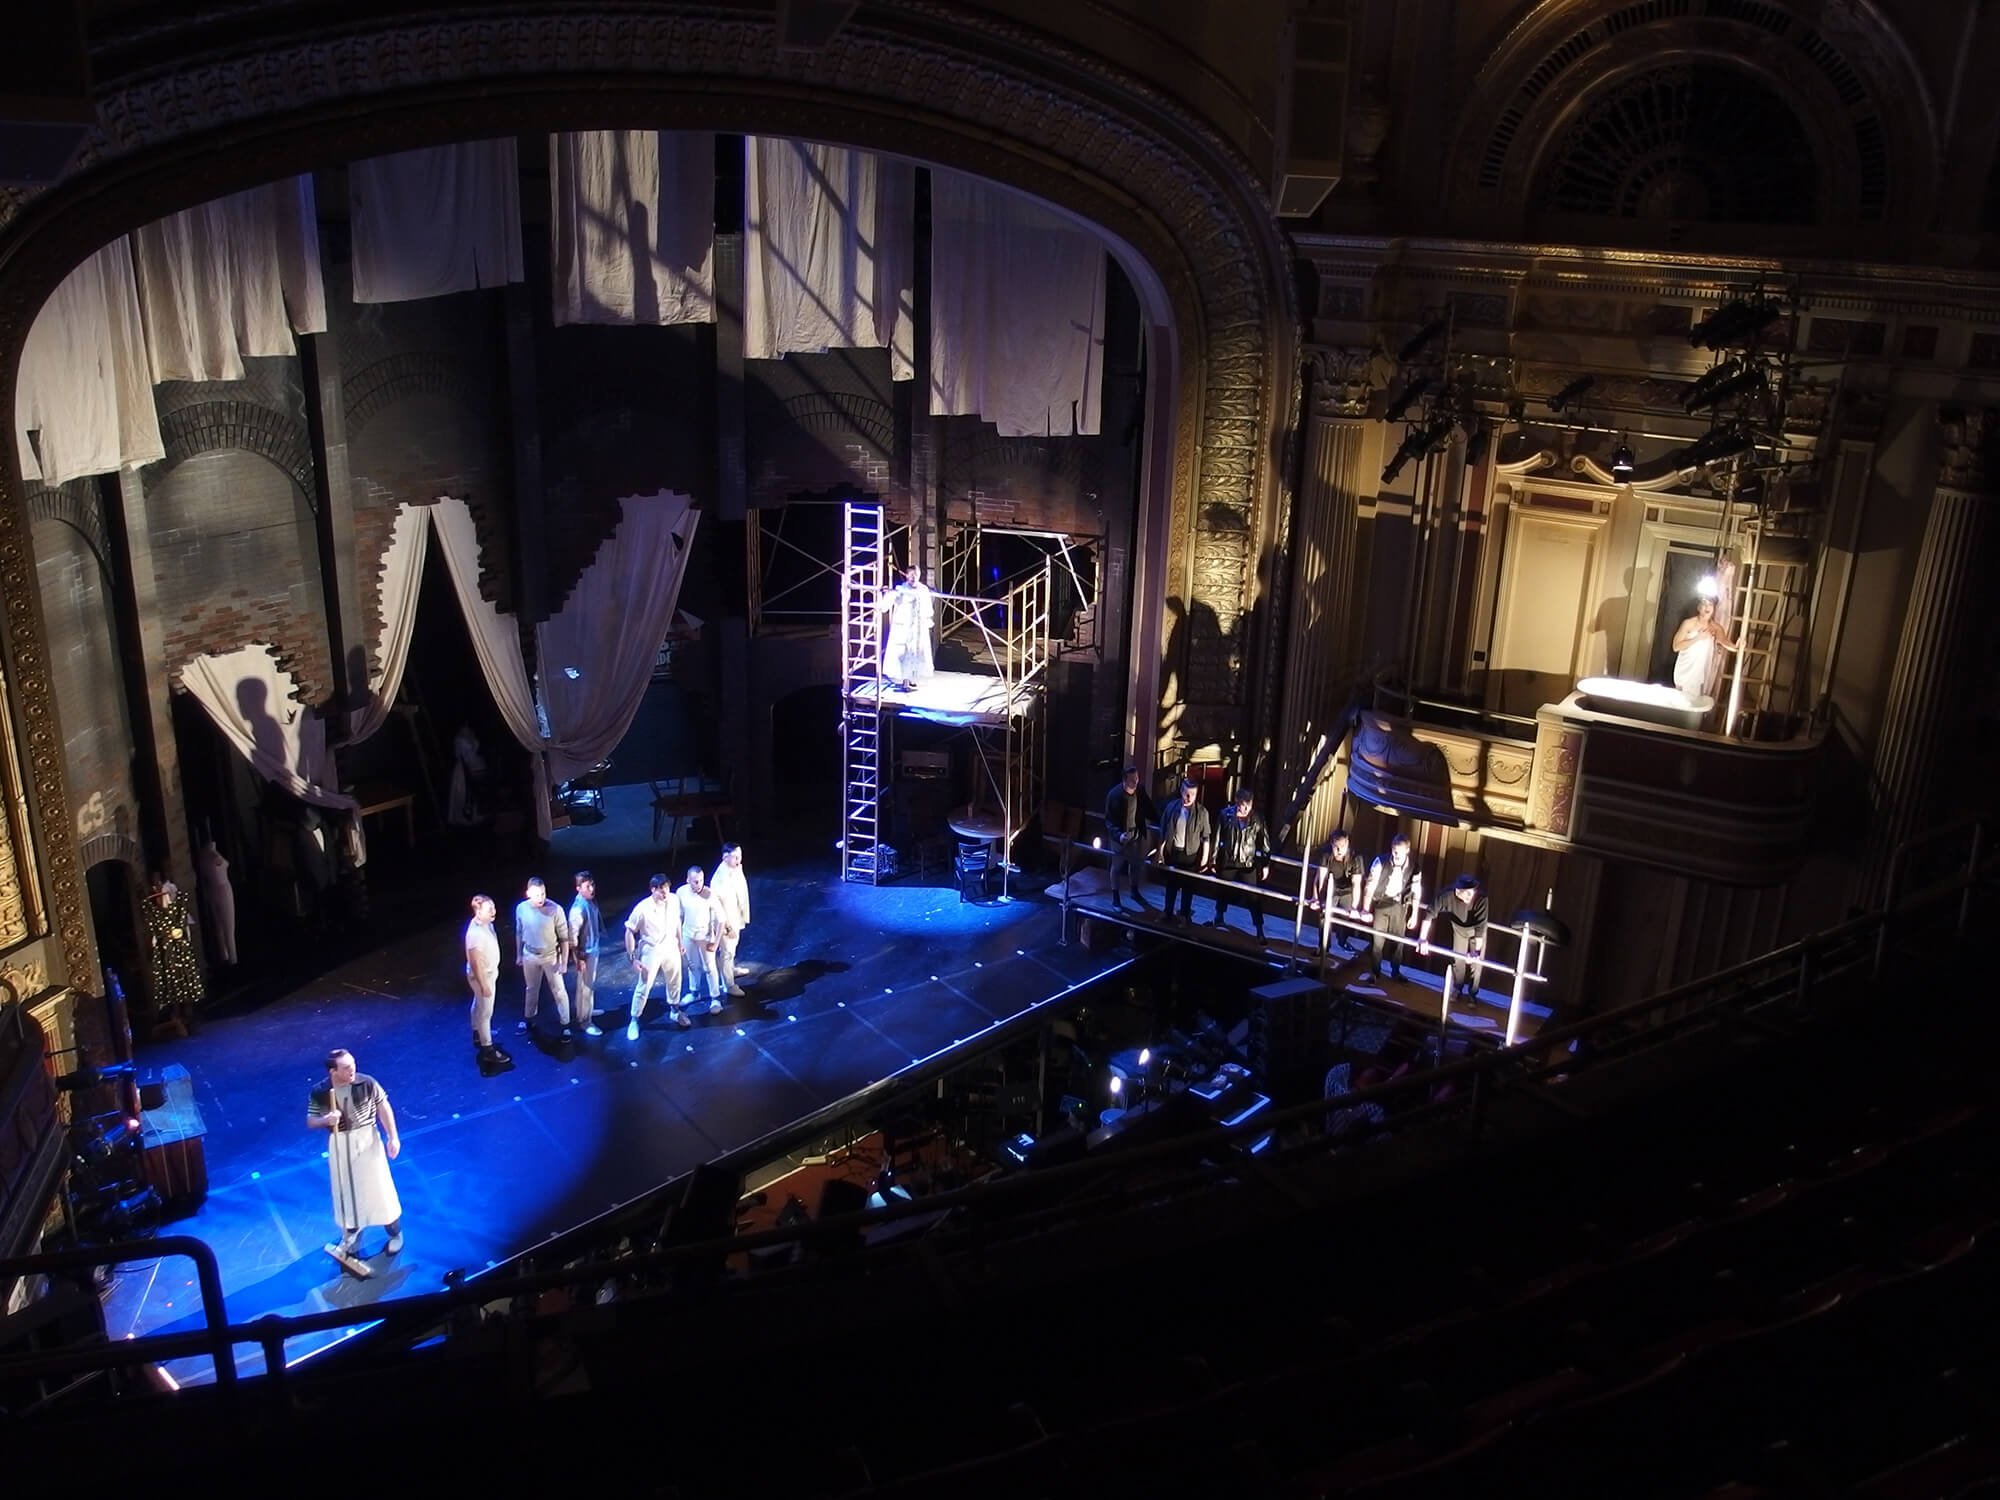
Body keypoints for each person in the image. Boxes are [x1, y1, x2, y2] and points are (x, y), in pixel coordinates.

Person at [307, 1048, 403, 1259]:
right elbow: (311, 1120)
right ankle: (352, 1230)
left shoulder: (366, 1082)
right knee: (346, 1191)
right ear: (333, 1071)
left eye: (353, 1064)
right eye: (346, 1067)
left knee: (379, 1188)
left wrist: (393, 1137)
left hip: (367, 1138)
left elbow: (383, 1106)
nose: (353, 1070)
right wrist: (326, 1120)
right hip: (340, 1142)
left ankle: (395, 1233)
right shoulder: (320, 1091)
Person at [625, 873, 687, 1037]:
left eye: (666, 888)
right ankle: (634, 1019)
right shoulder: (642, 908)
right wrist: (633, 958)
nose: (665, 893)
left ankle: (675, 1010)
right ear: (653, 890)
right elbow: (629, 931)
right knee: (644, 985)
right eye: (661, 890)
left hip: (671, 946)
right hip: (651, 950)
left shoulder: (673, 900)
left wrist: (680, 943)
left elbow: (677, 923)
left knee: (675, 979)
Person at [514, 877, 573, 1040]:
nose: (541, 898)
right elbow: (519, 932)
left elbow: (564, 938)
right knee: (531, 989)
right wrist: (519, 954)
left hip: (551, 956)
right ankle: (529, 1019)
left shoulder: (556, 909)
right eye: (537, 895)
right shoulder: (521, 909)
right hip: (529, 955)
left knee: (559, 991)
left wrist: (564, 962)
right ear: (528, 894)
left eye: (543, 894)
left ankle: (565, 1024)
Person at [144, 872, 204, 1031]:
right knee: (171, 981)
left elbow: (183, 929)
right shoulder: (156, 910)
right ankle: (176, 1013)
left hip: (179, 949)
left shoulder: (172, 900)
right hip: (167, 951)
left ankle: (187, 1012)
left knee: (183, 978)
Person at [1361, 832, 1422, 983]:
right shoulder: (1380, 861)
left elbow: (1416, 890)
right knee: (1377, 941)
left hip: (1400, 905)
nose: (1396, 855)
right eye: (1394, 851)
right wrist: (1365, 908)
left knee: (1398, 941)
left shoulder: (1414, 866)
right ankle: (1375, 972)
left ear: (1407, 850)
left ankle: (1395, 972)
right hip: (1382, 902)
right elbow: (1370, 885)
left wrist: (1414, 914)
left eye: (1400, 852)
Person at [1211, 786, 1272, 939]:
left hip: (1248, 863)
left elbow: (1265, 843)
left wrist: (1265, 864)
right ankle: (1218, 917)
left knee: (1253, 897)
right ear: (1236, 802)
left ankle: (1259, 929)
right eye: (1241, 804)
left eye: (1247, 805)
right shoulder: (1225, 815)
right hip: (1229, 859)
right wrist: (1213, 858)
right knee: (1222, 890)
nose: (1244, 808)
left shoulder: (1257, 818)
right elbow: (1216, 838)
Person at [1420, 873, 1490, 1001]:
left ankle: (1472, 995)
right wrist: (1422, 938)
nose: (1471, 895)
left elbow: (1480, 927)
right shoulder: (1446, 895)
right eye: (1467, 893)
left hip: (1476, 931)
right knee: (1458, 961)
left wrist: (1476, 952)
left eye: (1472, 892)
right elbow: (1429, 915)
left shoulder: (1481, 899)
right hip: (1459, 929)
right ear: (1458, 891)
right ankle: (1457, 989)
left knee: (1476, 964)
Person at [1155, 777, 1213, 924]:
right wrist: (1160, 852)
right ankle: (1168, 912)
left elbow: (1206, 837)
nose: (1188, 798)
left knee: (1188, 887)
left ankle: (1184, 915)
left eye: (1191, 795)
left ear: (1196, 795)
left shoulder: (1202, 813)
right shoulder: (1172, 808)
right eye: (1186, 793)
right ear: (1181, 791)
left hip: (1190, 855)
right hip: (1174, 851)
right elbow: (1163, 831)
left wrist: (1205, 859)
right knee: (1171, 884)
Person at [1102, 764, 1158, 910]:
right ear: (1124, 780)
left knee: (1136, 865)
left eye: (1137, 779)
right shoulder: (1114, 796)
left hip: (1135, 835)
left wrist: (1161, 820)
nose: (1136, 782)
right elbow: (1109, 821)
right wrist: (1119, 835)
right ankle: (1115, 897)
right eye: (1132, 780)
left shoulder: (1139, 790)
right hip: (1119, 838)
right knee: (1117, 866)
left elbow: (1148, 808)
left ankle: (1134, 890)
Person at [464, 893, 511, 1069]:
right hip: (482, 977)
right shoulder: (475, 933)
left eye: (493, 907)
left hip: (490, 973)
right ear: (478, 912)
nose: (493, 911)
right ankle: (488, 1050)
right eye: (489, 909)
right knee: (486, 1012)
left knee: (478, 1005)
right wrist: (484, 984)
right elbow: (475, 962)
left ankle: (477, 1032)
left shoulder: (486, 924)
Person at [880, 564, 936, 692]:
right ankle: (905, 682)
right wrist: (886, 596)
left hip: (917, 628)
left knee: (915, 654)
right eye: (910, 575)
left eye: (915, 574)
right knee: (904, 654)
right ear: (906, 575)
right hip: (904, 628)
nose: (913, 577)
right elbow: (886, 604)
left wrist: (927, 620)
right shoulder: (901, 589)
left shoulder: (923, 589)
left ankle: (910, 679)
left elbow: (928, 608)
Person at [1310, 828, 1366, 956]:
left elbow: (1357, 884)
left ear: (1347, 844)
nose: (1340, 850)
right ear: (1331, 845)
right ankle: (1323, 946)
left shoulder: (1356, 857)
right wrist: (1316, 897)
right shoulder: (1326, 854)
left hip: (1347, 890)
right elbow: (1320, 878)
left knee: (1347, 917)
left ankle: (1342, 940)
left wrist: (1354, 907)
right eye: (1336, 847)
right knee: (1324, 916)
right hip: (1331, 887)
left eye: (1343, 846)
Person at [1671, 595, 1737, 701]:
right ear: (1698, 607)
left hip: (1700, 673)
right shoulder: (1688, 623)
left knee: (1697, 700)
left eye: (1710, 604)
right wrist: (1697, 638)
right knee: (1681, 701)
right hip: (1685, 670)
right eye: (1704, 604)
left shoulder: (1715, 628)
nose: (1707, 607)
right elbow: (1676, 646)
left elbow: (1724, 641)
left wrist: (1737, 646)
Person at [677, 865, 724, 1014]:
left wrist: (715, 942)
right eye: (695, 881)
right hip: (688, 934)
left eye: (701, 880)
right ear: (688, 880)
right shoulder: (681, 892)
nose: (699, 884)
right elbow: (678, 916)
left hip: (705, 936)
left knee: (709, 967)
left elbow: (721, 920)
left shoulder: (710, 894)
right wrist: (678, 939)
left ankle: (715, 998)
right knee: (692, 965)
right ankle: (694, 992)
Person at [710, 845, 751, 998]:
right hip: (726, 922)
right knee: (726, 952)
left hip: (736, 916)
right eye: (734, 857)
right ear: (724, 857)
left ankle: (731, 969)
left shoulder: (736, 869)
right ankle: (728, 984)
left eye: (739, 855)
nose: (738, 860)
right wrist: (727, 927)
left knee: (732, 949)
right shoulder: (719, 879)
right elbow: (717, 907)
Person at [567, 870, 604, 1036]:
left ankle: (586, 1010)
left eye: (592, 885)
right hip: (585, 953)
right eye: (587, 886)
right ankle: (585, 1020)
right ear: (578, 888)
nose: (591, 889)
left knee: (588, 985)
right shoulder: (578, 909)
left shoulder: (589, 902)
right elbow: (572, 938)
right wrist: (579, 958)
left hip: (592, 948)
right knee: (585, 986)